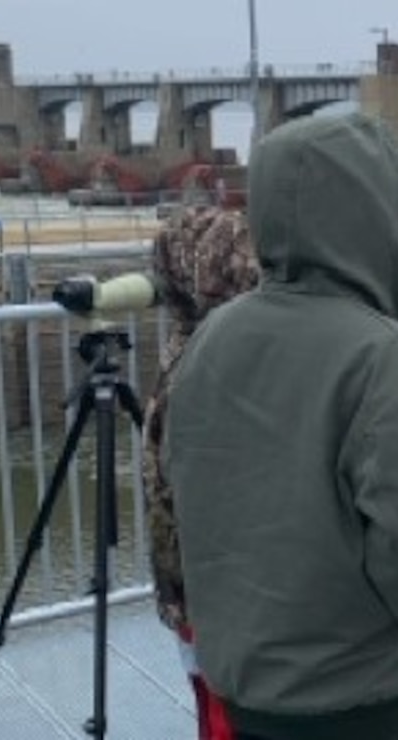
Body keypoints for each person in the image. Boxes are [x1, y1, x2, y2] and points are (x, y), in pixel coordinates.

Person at [163, 112, 398, 740]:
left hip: (248, 691)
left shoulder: (214, 337)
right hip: (363, 706)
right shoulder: (389, 365)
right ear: (382, 217)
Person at [143, 205, 260, 739]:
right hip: (229, 585)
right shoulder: (237, 353)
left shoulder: (185, 347)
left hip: (190, 578)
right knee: (229, 705)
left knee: (213, 700)